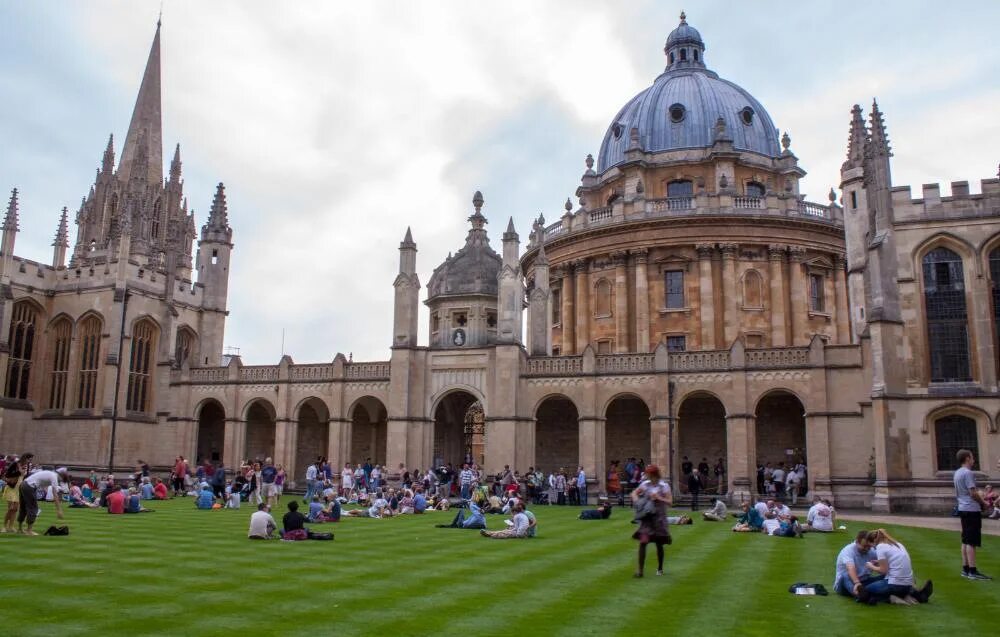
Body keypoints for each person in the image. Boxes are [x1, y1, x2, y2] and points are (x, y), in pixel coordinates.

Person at [861, 529, 933, 604]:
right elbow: (894, 563)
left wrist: (871, 566)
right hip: (908, 584)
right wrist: (879, 562)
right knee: (879, 586)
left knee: (866, 591)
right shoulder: (897, 544)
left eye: (870, 545)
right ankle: (916, 595)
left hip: (895, 584)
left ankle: (892, 598)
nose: (872, 548)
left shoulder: (880, 547)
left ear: (873, 541)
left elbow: (883, 571)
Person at [954, 449, 991, 580]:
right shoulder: (968, 473)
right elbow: (973, 493)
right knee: (971, 541)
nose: (974, 460)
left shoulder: (957, 473)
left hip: (963, 508)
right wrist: (984, 502)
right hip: (971, 509)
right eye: (972, 457)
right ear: (967, 458)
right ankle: (973, 571)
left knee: (965, 540)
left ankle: (966, 568)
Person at [631, 464, 671, 577]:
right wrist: (637, 501)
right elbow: (634, 493)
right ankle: (640, 571)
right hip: (647, 518)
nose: (646, 475)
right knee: (643, 542)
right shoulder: (645, 484)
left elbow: (670, 502)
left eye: (648, 473)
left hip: (659, 518)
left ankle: (660, 568)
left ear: (654, 474)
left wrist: (659, 498)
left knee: (659, 544)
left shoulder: (664, 486)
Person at [833, 530, 881, 600]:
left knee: (886, 577)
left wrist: (879, 564)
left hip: (864, 582)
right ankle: (861, 596)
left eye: (869, 546)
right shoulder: (848, 551)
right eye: (864, 546)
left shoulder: (872, 551)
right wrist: (857, 583)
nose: (867, 549)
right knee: (845, 576)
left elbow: (884, 567)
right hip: (845, 584)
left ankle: (866, 594)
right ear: (856, 542)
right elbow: (851, 568)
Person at [18, 466, 67, 534]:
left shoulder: (49, 473)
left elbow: (44, 486)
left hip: (23, 484)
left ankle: (20, 529)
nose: (60, 481)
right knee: (33, 508)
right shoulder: (54, 477)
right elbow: (55, 495)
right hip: (29, 486)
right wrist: (59, 510)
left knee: (23, 507)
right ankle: (29, 531)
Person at [2, 453, 29, 533]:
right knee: (10, 509)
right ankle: (4, 526)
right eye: (29, 459)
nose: (29, 461)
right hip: (11, 487)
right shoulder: (14, 464)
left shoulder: (26, 466)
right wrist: (19, 471)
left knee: (15, 509)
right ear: (24, 458)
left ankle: (11, 526)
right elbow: (7, 474)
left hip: (19, 488)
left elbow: (24, 475)